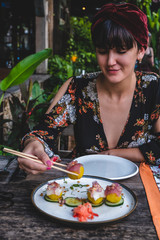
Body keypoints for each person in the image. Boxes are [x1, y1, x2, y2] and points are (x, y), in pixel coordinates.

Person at [18, 3, 160, 175]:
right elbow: (44, 132)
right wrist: (33, 144)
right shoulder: (77, 88)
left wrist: (113, 154)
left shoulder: (153, 88)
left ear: (141, 51)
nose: (109, 61)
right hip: (82, 187)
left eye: (121, 51)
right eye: (102, 51)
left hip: (142, 189)